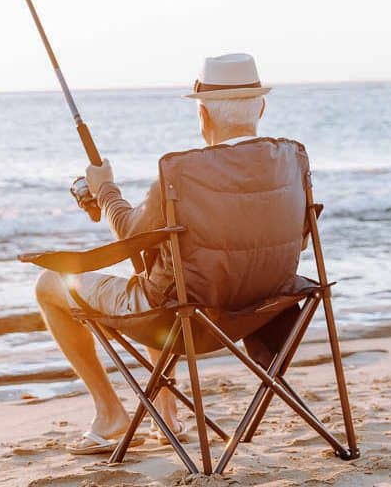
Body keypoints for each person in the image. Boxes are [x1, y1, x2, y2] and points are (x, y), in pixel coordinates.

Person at [34, 52, 274, 454]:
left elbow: (129, 233)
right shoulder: (290, 164)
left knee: (48, 285)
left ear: (203, 115)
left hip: (191, 318)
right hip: (260, 311)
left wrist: (104, 189)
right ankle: (166, 410)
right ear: (261, 108)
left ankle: (109, 413)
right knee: (162, 269)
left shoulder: (182, 174)